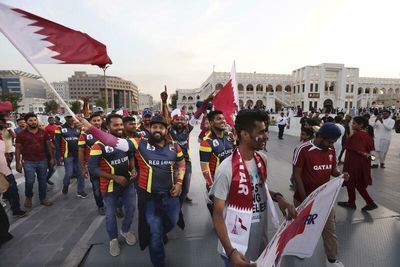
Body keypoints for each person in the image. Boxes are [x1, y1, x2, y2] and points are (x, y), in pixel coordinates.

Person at [80, 115, 185, 267]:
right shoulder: (139, 143)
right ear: (149, 128)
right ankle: (158, 262)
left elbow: (181, 164)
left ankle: (160, 233)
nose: (157, 130)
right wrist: (90, 128)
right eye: (154, 127)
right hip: (149, 198)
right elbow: (112, 141)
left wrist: (180, 183)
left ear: (166, 129)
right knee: (155, 233)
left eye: (161, 127)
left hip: (171, 195)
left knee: (172, 222)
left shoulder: (175, 147)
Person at [210, 109, 297, 267]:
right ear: (244, 134)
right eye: (262, 132)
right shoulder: (226, 170)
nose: (266, 136)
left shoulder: (261, 158)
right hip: (236, 251)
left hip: (260, 246)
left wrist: (279, 198)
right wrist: (231, 252)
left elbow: (258, 188)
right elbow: (217, 215)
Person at [293, 123, 350, 267]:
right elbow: (297, 175)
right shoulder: (303, 149)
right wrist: (305, 199)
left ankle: (331, 259)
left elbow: (333, 170)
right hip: (303, 198)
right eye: (329, 141)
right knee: (302, 227)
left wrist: (341, 175)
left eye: (334, 142)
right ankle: (299, 249)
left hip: (325, 199)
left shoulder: (330, 150)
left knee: (330, 229)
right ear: (319, 136)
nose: (331, 145)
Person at [88, 114, 137, 256]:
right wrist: (115, 177)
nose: (120, 127)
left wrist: (133, 169)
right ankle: (113, 240)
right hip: (109, 187)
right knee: (110, 215)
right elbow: (93, 168)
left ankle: (125, 230)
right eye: (116, 125)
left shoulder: (125, 142)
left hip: (127, 183)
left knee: (131, 208)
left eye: (121, 124)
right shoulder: (98, 145)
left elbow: (131, 156)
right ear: (108, 126)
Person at [338, 116, 377, 211]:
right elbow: (372, 153)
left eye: (354, 123)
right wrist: (369, 157)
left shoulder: (358, 135)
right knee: (356, 183)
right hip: (362, 163)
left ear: (361, 125)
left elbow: (358, 149)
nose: (352, 124)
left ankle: (366, 202)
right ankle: (354, 201)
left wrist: (364, 154)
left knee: (351, 181)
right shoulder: (367, 135)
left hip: (355, 163)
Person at [199, 110, 235, 214]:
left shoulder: (230, 136)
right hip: (216, 183)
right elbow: (204, 167)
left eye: (223, 118)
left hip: (231, 179)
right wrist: (211, 186)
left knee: (231, 211)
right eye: (219, 119)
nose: (223, 121)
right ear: (211, 123)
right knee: (218, 214)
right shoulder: (206, 141)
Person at [15, 113, 54, 208]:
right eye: (31, 120)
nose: (33, 122)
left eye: (35, 120)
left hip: (42, 160)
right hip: (28, 162)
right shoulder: (21, 134)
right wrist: (18, 163)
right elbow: (18, 149)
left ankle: (43, 198)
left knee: (42, 180)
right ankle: (28, 197)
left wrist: (52, 158)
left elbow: (48, 145)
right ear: (27, 122)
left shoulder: (43, 132)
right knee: (29, 181)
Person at [78, 113, 105, 215]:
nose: (97, 122)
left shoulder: (107, 133)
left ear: (102, 121)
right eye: (94, 121)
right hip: (94, 167)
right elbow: (80, 151)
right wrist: (83, 168)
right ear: (90, 122)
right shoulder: (84, 135)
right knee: (96, 187)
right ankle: (100, 206)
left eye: (99, 120)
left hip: (108, 166)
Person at [55, 115, 87, 198]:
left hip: (78, 155)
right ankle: (66, 185)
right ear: (65, 118)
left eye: (71, 117)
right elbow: (57, 143)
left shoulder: (79, 128)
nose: (70, 119)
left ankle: (80, 191)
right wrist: (58, 156)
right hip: (67, 155)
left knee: (80, 173)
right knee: (69, 173)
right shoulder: (60, 128)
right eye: (68, 117)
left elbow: (84, 141)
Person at [0, 124, 26, 217]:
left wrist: (7, 156)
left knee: (13, 189)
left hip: (5, 170)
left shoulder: (1, 138)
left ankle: (16, 210)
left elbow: (3, 151)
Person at [44, 116, 59, 185]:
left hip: (56, 146)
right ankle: (44, 179)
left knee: (53, 167)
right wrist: (51, 145)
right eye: (50, 120)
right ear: (48, 121)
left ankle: (46, 178)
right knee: (50, 166)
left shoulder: (57, 127)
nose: (51, 121)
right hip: (49, 148)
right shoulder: (46, 128)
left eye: (52, 119)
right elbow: (46, 139)